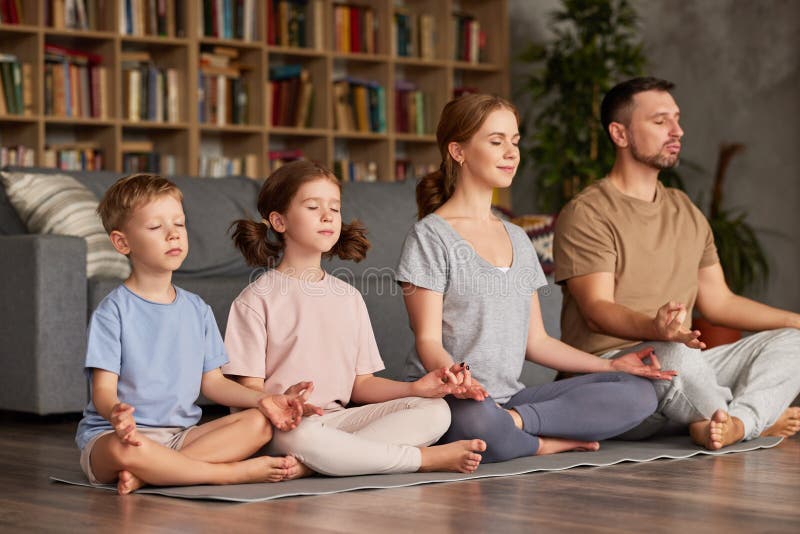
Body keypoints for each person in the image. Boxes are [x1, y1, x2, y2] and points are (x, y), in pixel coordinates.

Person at [396, 94, 676, 464]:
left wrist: (611, 365)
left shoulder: (516, 238)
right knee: (479, 420)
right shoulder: (430, 237)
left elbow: (538, 342)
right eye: (496, 142)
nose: (511, 152)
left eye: (514, 142)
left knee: (641, 391)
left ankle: (514, 425)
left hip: (509, 401)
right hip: (453, 402)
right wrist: (460, 381)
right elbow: (428, 340)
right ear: (458, 151)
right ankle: (544, 443)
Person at [554, 76, 800, 450]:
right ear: (619, 134)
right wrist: (654, 327)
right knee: (672, 353)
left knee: (795, 342)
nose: (677, 130)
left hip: (686, 369)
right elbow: (596, 310)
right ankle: (747, 419)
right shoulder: (587, 213)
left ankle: (732, 423)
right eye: (660, 121)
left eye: (677, 118)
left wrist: (794, 321)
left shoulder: (685, 210)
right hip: (614, 378)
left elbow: (719, 302)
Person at [223, 160, 487, 477]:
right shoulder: (255, 300)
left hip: (338, 421)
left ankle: (318, 465)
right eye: (312, 206)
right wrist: (281, 403)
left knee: (435, 411)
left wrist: (416, 388)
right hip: (285, 426)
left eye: (335, 208)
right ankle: (420, 459)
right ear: (279, 221)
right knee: (302, 434)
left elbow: (361, 385)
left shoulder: (349, 298)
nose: (327, 216)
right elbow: (245, 397)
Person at [75, 174, 314, 495]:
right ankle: (227, 474)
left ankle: (152, 474)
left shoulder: (197, 309)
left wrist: (265, 399)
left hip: (180, 436)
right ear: (122, 243)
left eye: (179, 224)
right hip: (118, 436)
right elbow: (103, 391)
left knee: (259, 423)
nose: (173, 234)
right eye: (156, 228)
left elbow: (213, 383)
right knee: (125, 452)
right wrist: (116, 414)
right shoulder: (112, 311)